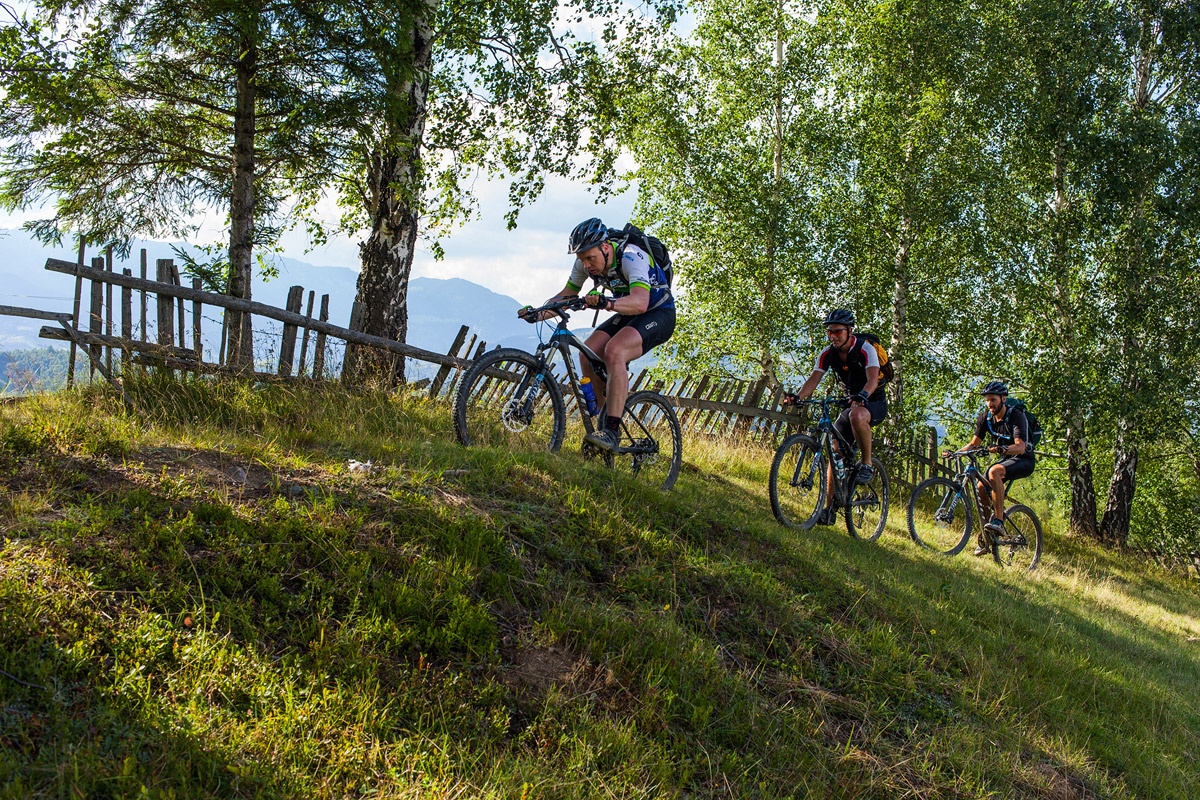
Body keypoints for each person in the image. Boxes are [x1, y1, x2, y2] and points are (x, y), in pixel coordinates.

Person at [518, 217, 675, 452]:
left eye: (590, 258)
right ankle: (602, 426)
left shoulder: (631, 256)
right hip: (627, 311)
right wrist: (538, 313)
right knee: (587, 353)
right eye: (582, 259)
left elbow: (640, 303)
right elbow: (567, 294)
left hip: (658, 313)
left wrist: (606, 303)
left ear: (605, 247)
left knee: (615, 351)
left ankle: (611, 430)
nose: (587, 265)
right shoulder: (583, 263)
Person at [782, 308, 888, 526]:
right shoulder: (827, 354)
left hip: (873, 401)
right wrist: (798, 397)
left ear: (850, 330)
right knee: (835, 451)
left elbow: (873, 380)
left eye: (837, 331)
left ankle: (867, 464)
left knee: (857, 415)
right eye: (829, 332)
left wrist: (863, 395)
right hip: (850, 403)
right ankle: (828, 510)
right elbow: (814, 378)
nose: (833, 336)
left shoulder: (865, 349)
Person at [943, 381, 1036, 555]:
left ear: (1003, 399)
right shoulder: (985, 418)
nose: (989, 404)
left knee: (994, 472)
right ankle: (987, 535)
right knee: (981, 487)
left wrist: (1002, 449)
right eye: (987, 400)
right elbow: (974, 444)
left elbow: (1021, 446)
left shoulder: (1016, 416)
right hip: (1005, 459)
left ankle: (998, 521)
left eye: (993, 399)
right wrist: (955, 453)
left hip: (1023, 459)